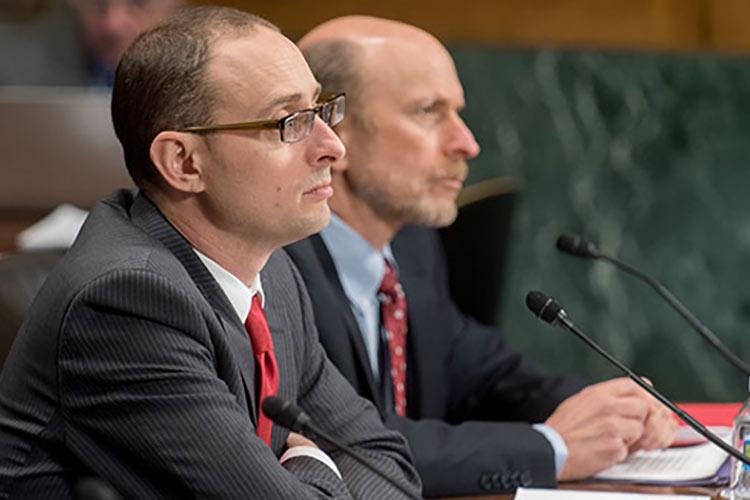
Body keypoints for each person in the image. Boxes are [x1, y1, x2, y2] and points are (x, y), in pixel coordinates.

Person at [0, 7, 421, 499]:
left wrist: (304, 470)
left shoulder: (271, 268)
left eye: (321, 109)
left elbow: (388, 464)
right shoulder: (126, 302)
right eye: (291, 121)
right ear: (182, 162)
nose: (332, 147)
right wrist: (313, 460)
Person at [285, 15, 677, 497]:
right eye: (428, 111)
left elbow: (479, 371)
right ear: (332, 133)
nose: (467, 143)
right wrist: (553, 447)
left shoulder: (410, 243)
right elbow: (347, 444)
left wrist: (611, 412)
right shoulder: (278, 264)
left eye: (458, 111)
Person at [0, 0, 182, 86]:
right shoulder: (11, 66)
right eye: (98, 4)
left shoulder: (203, 75)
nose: (113, 25)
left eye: (139, 3)